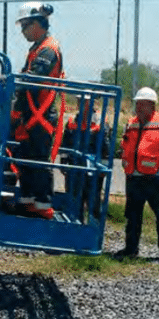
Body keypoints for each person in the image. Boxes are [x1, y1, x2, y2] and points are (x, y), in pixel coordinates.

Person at [113, 87, 159, 260]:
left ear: (152, 105)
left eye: (143, 104)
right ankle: (131, 249)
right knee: (132, 216)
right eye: (137, 104)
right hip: (134, 177)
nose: (139, 108)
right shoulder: (130, 123)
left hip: (156, 178)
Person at [10, 1, 64, 219]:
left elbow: (33, 79)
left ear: (38, 23)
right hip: (31, 114)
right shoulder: (36, 48)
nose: (22, 31)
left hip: (41, 114)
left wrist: (8, 80)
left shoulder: (48, 49)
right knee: (25, 158)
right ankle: (28, 202)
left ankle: (43, 206)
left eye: (25, 25)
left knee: (39, 161)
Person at [61, 93, 111, 222]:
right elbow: (65, 143)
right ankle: (75, 230)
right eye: (80, 101)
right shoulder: (72, 121)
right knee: (74, 199)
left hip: (92, 170)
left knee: (93, 201)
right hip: (74, 168)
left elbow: (106, 147)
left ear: (94, 103)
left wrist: (103, 168)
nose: (82, 104)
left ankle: (93, 233)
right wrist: (63, 162)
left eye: (86, 101)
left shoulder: (101, 122)